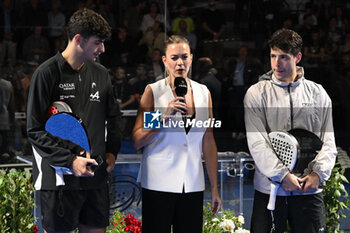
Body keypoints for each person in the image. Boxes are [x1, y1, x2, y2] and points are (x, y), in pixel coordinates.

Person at [26, 8, 122, 233]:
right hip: (59, 181)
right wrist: (70, 160)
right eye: (97, 43)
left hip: (95, 180)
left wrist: (112, 152)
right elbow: (34, 130)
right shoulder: (46, 73)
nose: (103, 49)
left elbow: (114, 118)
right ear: (79, 39)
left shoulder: (101, 73)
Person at [244, 29, 337, 233]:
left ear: (298, 57)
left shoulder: (318, 93)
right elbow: (257, 143)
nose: (277, 63)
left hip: (309, 190)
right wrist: (282, 175)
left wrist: (317, 175)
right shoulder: (256, 93)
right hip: (270, 190)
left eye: (284, 57)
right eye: (273, 56)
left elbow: (329, 141)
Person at [132, 35, 222, 233]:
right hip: (157, 182)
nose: (180, 62)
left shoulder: (203, 92)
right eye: (174, 57)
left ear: (191, 58)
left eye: (184, 56)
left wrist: (214, 187)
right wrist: (163, 116)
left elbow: (208, 140)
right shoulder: (153, 91)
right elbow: (138, 139)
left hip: (192, 183)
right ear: (165, 60)